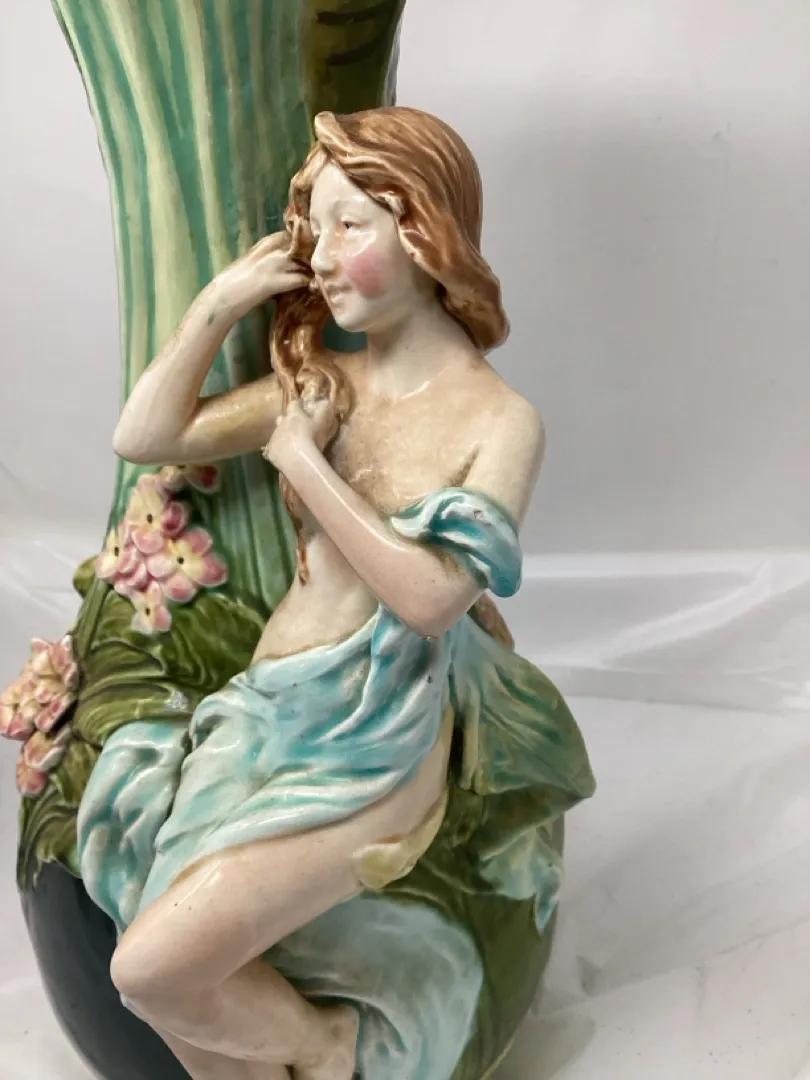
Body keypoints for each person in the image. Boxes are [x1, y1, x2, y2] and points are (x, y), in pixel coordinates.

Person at [78, 107, 595, 1080]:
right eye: (312, 230)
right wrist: (219, 303)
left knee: (151, 971)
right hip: (260, 721)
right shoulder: (322, 386)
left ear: (426, 230)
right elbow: (144, 436)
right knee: (174, 976)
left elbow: (433, 600)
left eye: (348, 224)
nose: (319, 257)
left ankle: (332, 1047)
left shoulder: (498, 420)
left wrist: (306, 467)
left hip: (370, 742)